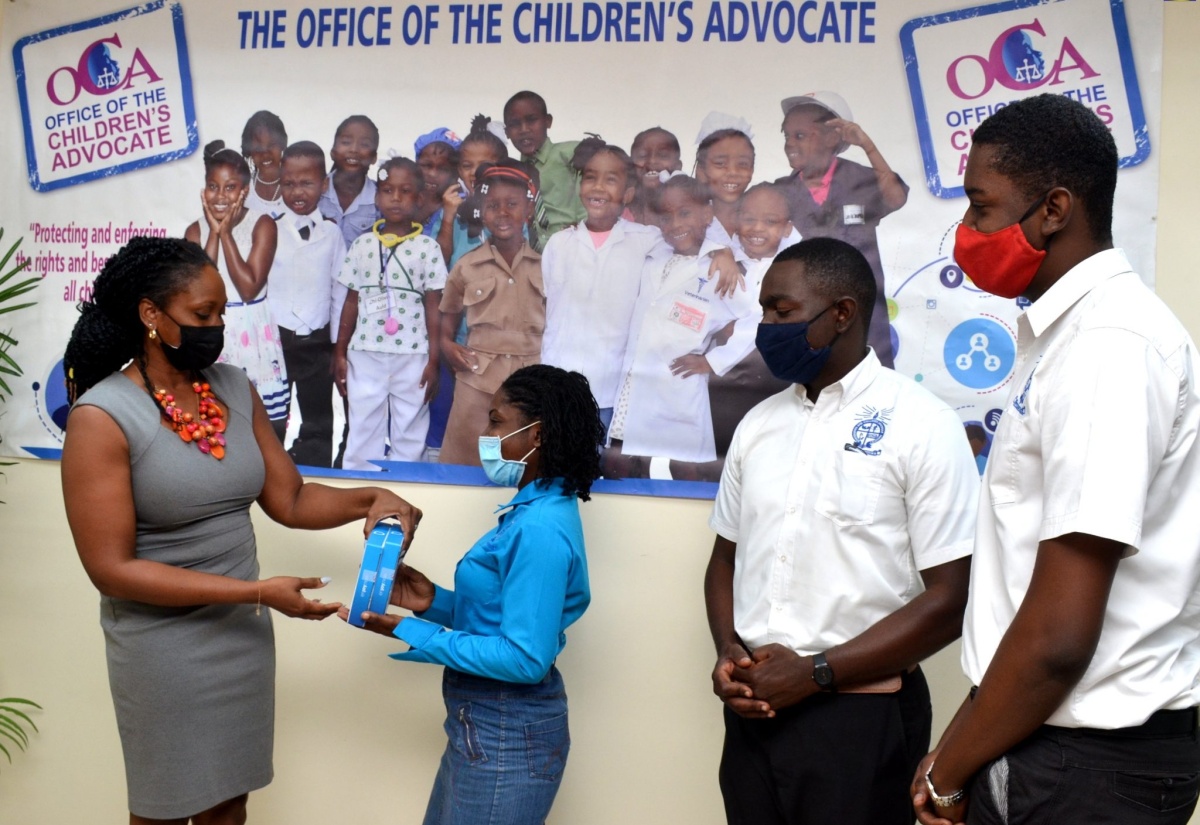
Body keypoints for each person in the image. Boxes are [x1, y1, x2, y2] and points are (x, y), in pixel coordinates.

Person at [60, 236, 420, 825]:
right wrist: (255, 592)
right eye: (202, 315)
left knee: (230, 805)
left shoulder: (231, 386)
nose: (217, 326)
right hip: (162, 649)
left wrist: (372, 499)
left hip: (241, 640)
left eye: (222, 311)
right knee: (164, 808)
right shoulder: (102, 418)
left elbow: (291, 497)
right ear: (151, 315)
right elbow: (112, 570)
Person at [912, 94, 1200, 825]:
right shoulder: (1069, 337)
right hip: (1043, 740)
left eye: (981, 205)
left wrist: (950, 769)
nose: (966, 232)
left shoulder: (1108, 346)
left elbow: (1057, 635)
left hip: (1088, 769)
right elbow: (1020, 592)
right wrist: (963, 743)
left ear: (1054, 208)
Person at [705, 237, 979, 825]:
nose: (767, 326)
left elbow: (952, 598)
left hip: (861, 722)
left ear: (843, 314)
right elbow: (723, 559)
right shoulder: (759, 425)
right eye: (764, 311)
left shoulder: (922, 424)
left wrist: (816, 672)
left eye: (783, 311)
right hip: (755, 716)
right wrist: (730, 650)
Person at [343, 363, 604, 825]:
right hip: (483, 723)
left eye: (496, 421)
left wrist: (416, 630)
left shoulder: (541, 528)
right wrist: (433, 601)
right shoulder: (531, 511)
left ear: (537, 435)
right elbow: (500, 616)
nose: (485, 433)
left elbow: (525, 658)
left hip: (506, 731)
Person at [603, 175, 757, 480]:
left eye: (684, 213)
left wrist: (712, 361)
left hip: (678, 389)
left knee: (685, 470)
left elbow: (757, 318)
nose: (674, 224)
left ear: (707, 214)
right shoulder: (654, 254)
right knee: (629, 464)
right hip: (634, 386)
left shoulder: (716, 269)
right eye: (666, 216)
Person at [774, 91, 907, 369]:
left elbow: (897, 198)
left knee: (872, 388)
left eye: (800, 136)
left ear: (832, 137)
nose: (789, 144)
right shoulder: (779, 192)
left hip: (862, 315)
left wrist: (867, 146)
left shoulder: (860, 179)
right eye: (786, 136)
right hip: (804, 313)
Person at [541, 140, 664, 431]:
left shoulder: (647, 241)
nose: (598, 187)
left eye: (611, 180)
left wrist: (719, 253)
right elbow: (550, 309)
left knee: (598, 466)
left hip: (610, 389)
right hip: (559, 382)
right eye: (591, 177)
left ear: (628, 194)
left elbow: (688, 252)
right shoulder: (560, 243)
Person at [333, 157, 446, 469]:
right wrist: (340, 352)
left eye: (406, 191)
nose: (396, 198)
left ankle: (408, 487)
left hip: (413, 354)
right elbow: (351, 301)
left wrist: (434, 360)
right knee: (362, 424)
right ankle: (359, 485)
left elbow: (434, 306)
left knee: (410, 428)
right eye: (388, 190)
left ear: (419, 199)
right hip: (365, 352)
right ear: (376, 197)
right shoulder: (362, 244)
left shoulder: (427, 248)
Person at [438, 160, 544, 466]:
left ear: (529, 210)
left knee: (529, 460)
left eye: (512, 204)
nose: (502, 212)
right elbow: (447, 321)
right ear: (482, 213)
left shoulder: (547, 265)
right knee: (464, 460)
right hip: (477, 378)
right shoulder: (467, 266)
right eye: (493, 205)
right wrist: (447, 345)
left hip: (531, 378)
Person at [184, 140, 290, 439]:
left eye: (230, 188)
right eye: (213, 187)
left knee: (262, 427)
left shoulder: (263, 224)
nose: (220, 196)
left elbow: (247, 288)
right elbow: (197, 290)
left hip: (252, 335)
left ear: (244, 191)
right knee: (213, 422)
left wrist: (226, 234)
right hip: (211, 333)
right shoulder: (195, 231)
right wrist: (213, 235)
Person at [268, 140, 346, 467]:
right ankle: (266, 474)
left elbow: (339, 292)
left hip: (317, 344)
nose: (297, 192)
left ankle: (315, 475)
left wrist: (337, 347)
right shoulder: (268, 230)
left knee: (318, 419)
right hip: (277, 343)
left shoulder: (332, 234)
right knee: (271, 416)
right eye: (289, 184)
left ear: (324, 185)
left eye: (307, 183)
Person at [503, 90, 586, 251]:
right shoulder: (513, 173)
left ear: (548, 121)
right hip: (533, 258)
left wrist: (586, 231)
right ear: (507, 132)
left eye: (531, 120)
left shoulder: (572, 154)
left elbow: (590, 196)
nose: (524, 129)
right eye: (515, 124)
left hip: (575, 247)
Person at [694, 113, 756, 248]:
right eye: (720, 163)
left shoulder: (764, 221)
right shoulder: (690, 222)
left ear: (752, 170)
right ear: (701, 170)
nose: (733, 172)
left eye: (743, 164)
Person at [320, 114, 382, 248]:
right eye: (346, 142)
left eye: (364, 144)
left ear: (374, 158)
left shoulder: (380, 200)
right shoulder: (315, 190)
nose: (354, 149)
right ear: (333, 152)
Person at [628, 126, 682, 225]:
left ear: (678, 166)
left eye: (663, 155)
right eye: (642, 155)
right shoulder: (621, 207)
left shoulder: (688, 206)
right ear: (631, 165)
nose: (652, 161)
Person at [415, 127, 462, 237]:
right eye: (426, 165)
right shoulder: (402, 197)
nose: (433, 174)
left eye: (443, 169)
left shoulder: (460, 210)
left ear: (456, 174)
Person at [241, 110, 288, 218]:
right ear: (249, 151)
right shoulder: (243, 191)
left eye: (272, 144)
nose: (265, 153)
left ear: (282, 144)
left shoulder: (295, 186)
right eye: (258, 148)